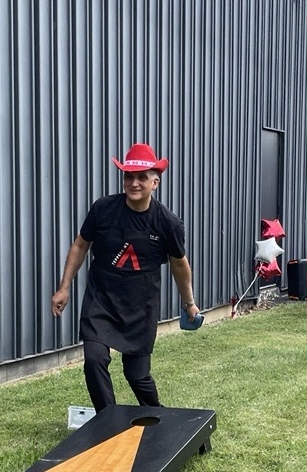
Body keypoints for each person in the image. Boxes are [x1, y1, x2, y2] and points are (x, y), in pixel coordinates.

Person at [50, 143, 199, 411]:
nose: (134, 183)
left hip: (140, 306)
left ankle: (159, 418)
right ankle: (107, 421)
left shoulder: (168, 223)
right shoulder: (103, 209)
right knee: (94, 360)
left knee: (137, 375)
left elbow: (180, 265)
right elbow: (80, 245)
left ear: (156, 182)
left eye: (142, 177)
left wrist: (189, 303)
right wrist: (64, 287)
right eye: (128, 176)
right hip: (101, 299)